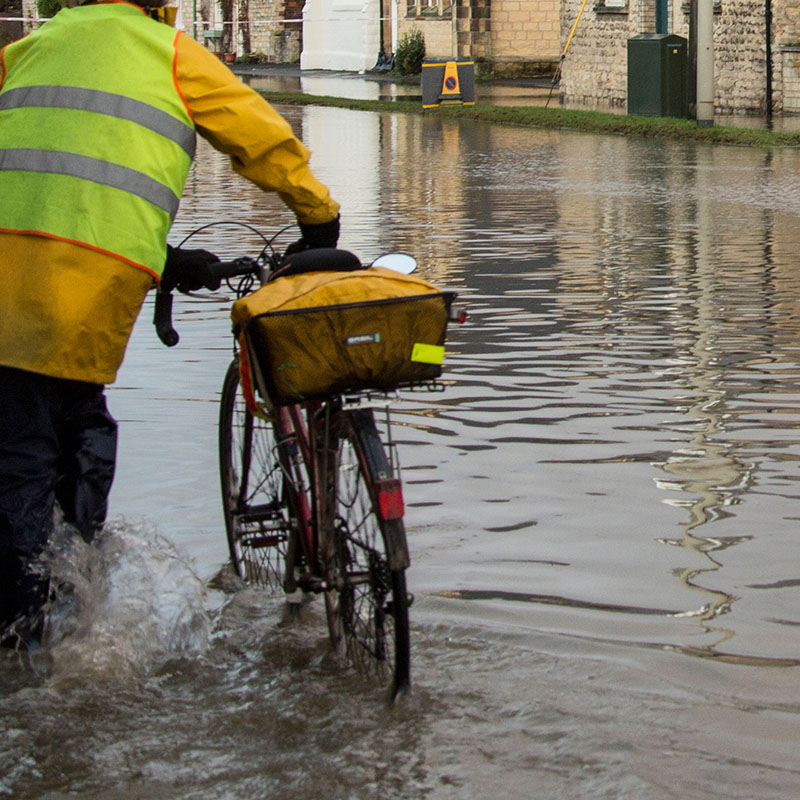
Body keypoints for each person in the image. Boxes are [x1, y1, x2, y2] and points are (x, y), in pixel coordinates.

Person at [0, 0, 341, 647]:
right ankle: (45, 624)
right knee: (68, 436)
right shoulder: (170, 53)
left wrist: (166, 258)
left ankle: (36, 625)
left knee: (29, 443)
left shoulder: (30, 48)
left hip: (8, 272)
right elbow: (259, 136)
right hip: (97, 279)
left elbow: (55, 177)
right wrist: (319, 219)